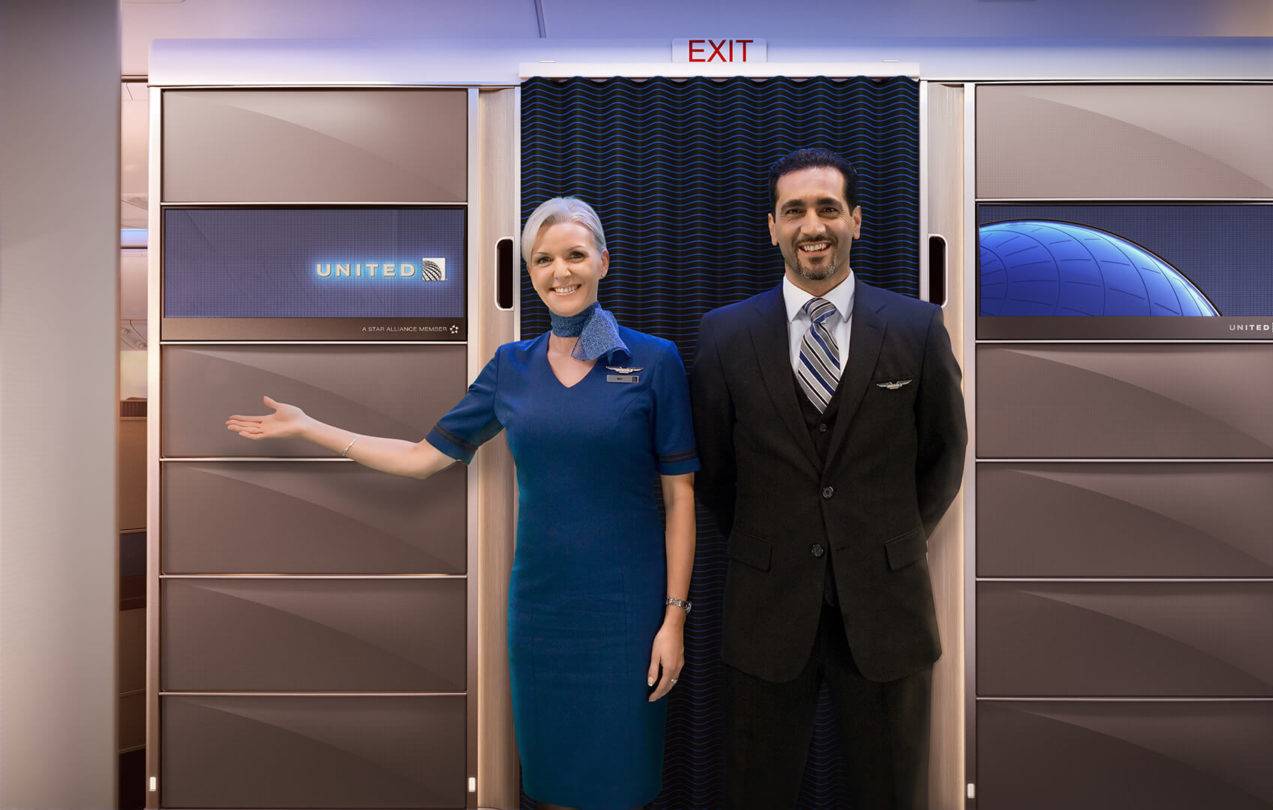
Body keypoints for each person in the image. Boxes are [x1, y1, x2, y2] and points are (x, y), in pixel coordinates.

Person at [226, 197, 698, 810]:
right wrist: (313, 426)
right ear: (530, 274)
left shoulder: (654, 361)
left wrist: (674, 620)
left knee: (621, 784)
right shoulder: (511, 367)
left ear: (603, 262)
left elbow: (680, 497)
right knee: (553, 786)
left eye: (575, 255)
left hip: (629, 616)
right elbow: (423, 458)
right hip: (542, 614)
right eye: (544, 260)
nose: (561, 271)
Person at [690, 148, 967, 809]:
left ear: (857, 221)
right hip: (767, 607)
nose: (811, 225)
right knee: (758, 792)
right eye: (795, 211)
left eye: (827, 209)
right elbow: (714, 469)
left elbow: (944, 454)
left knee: (892, 793)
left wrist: (889, 539)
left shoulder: (916, 328)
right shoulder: (725, 336)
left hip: (886, 608)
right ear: (772, 227)